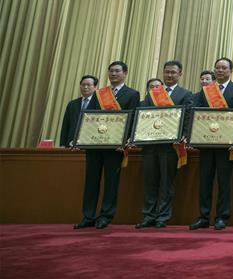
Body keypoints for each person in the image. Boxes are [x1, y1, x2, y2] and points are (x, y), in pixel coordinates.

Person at [75, 61, 140, 229]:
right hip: (95, 144)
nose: (113, 74)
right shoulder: (99, 93)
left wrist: (126, 141)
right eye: (111, 71)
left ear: (125, 73)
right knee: (91, 181)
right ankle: (88, 216)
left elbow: (132, 118)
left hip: (115, 146)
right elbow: (90, 117)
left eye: (117, 71)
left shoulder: (132, 94)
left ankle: (105, 216)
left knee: (111, 182)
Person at [189, 57, 233, 231]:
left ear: (230, 70)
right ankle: (203, 216)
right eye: (217, 68)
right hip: (206, 143)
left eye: (223, 68)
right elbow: (196, 114)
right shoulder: (206, 91)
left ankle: (222, 216)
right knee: (205, 181)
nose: (220, 70)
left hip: (227, 144)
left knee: (224, 181)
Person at [136, 61, 193, 229]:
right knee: (150, 182)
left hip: (170, 146)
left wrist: (182, 136)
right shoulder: (152, 94)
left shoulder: (185, 94)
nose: (169, 75)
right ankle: (148, 215)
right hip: (150, 145)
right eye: (167, 72)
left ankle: (162, 216)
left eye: (173, 73)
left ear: (180, 74)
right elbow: (143, 116)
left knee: (166, 183)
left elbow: (188, 118)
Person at [59, 75, 98, 147]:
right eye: (83, 85)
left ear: (95, 87)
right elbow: (66, 125)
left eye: (88, 85)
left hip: (91, 144)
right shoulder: (72, 104)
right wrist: (62, 144)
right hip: (71, 144)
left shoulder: (99, 104)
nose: (85, 87)